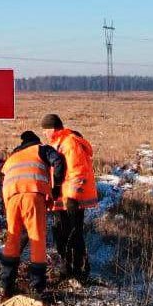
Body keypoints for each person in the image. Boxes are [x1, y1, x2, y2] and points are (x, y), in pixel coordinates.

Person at [0, 130, 64, 301]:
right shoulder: (41, 149)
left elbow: (4, 175)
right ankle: (37, 288)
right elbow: (58, 161)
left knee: (12, 240)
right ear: (36, 141)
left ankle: (5, 286)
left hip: (12, 198)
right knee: (37, 239)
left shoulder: (13, 156)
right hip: (33, 196)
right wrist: (56, 189)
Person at [41, 114, 98, 280]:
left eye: (45, 130)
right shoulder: (60, 142)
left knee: (73, 234)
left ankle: (79, 271)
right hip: (63, 198)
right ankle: (69, 268)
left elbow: (78, 170)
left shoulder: (69, 142)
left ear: (52, 129)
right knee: (62, 233)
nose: (44, 134)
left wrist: (72, 197)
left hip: (71, 199)